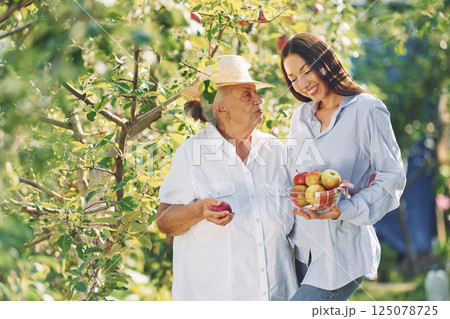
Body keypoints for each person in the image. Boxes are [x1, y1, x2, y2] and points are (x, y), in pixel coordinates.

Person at [156, 55, 298, 300]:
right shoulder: (192, 153)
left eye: (255, 92)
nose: (259, 99)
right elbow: (165, 221)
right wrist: (199, 210)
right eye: (247, 94)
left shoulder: (275, 150)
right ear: (221, 108)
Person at [280, 33, 406, 301]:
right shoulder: (301, 118)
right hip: (302, 250)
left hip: (341, 254)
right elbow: (295, 176)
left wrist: (344, 209)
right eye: (292, 79)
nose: (302, 84)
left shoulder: (367, 109)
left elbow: (392, 177)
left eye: (306, 71)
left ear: (325, 61)